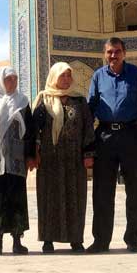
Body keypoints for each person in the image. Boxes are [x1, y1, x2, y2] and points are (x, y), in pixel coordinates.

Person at [87, 37, 137, 254]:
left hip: (132, 133)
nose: (113, 56)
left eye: (117, 51)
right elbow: (90, 107)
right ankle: (101, 240)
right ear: (105, 53)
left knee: (135, 189)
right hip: (104, 136)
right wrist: (86, 142)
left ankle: (133, 239)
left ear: (124, 53)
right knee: (102, 191)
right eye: (110, 52)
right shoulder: (98, 76)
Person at [33, 62, 95, 253]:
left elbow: (88, 129)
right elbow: (34, 130)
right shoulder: (44, 99)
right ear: (54, 77)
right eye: (62, 76)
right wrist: (33, 154)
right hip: (50, 160)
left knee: (75, 197)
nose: (67, 79)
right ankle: (48, 239)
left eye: (69, 76)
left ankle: (76, 239)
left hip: (74, 159)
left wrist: (88, 154)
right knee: (49, 198)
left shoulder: (80, 100)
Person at [0, 66, 36, 255]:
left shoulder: (23, 102)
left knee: (17, 200)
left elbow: (31, 133)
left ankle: (17, 241)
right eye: (9, 79)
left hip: (16, 160)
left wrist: (31, 155)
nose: (12, 82)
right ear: (1, 81)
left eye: (15, 79)